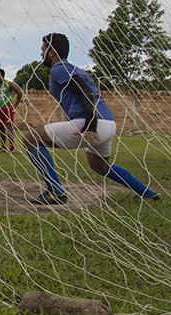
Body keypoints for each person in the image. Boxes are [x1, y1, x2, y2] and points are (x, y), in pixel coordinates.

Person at [23, 33, 159, 205]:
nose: (41, 53)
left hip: (90, 122)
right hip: (108, 124)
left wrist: (91, 125)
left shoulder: (59, 68)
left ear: (51, 52)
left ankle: (55, 191)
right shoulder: (74, 69)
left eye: (42, 49)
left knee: (30, 139)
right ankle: (147, 193)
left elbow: (84, 91)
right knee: (100, 166)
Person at [0, 68, 23, 153]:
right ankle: (3, 146)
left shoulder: (9, 84)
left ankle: (12, 146)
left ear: (3, 76)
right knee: (1, 128)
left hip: (7, 109)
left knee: (9, 126)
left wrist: (14, 106)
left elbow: (19, 93)